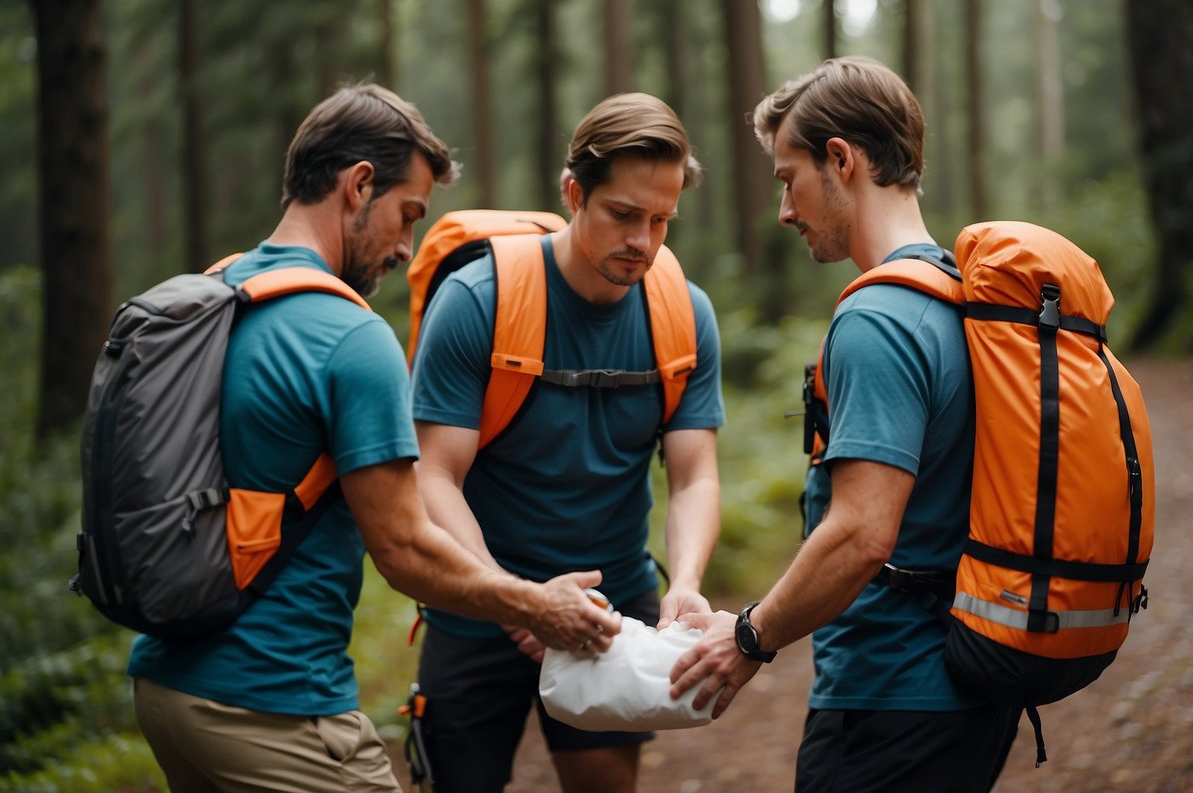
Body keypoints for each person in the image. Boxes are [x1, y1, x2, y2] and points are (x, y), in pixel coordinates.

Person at [127, 84, 620, 793]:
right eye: (407, 214)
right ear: (359, 185)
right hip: (274, 707)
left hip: (167, 690)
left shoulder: (219, 292)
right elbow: (405, 548)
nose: (406, 246)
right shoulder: (349, 335)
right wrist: (536, 605)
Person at [669, 57, 1021, 792]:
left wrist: (748, 638)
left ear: (840, 159)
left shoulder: (878, 318)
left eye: (786, 177)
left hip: (891, 700)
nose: (785, 210)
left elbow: (862, 532)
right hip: (965, 689)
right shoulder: (956, 294)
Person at [409, 92, 725, 793]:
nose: (642, 240)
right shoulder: (477, 299)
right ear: (573, 191)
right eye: (622, 214)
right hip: (477, 607)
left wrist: (690, 583)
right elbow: (434, 476)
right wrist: (514, 601)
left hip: (613, 614)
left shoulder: (683, 312)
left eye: (661, 220)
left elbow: (695, 473)